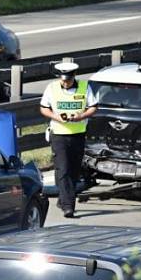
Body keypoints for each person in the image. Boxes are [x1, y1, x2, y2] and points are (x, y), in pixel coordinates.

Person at [40, 62, 98, 219]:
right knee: (64, 169)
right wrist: (55, 116)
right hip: (59, 134)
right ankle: (68, 206)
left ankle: (62, 198)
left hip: (78, 134)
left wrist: (81, 116)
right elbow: (44, 108)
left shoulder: (85, 86)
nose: (66, 83)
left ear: (74, 76)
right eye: (64, 80)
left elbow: (93, 106)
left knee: (74, 171)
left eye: (69, 80)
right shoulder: (52, 88)